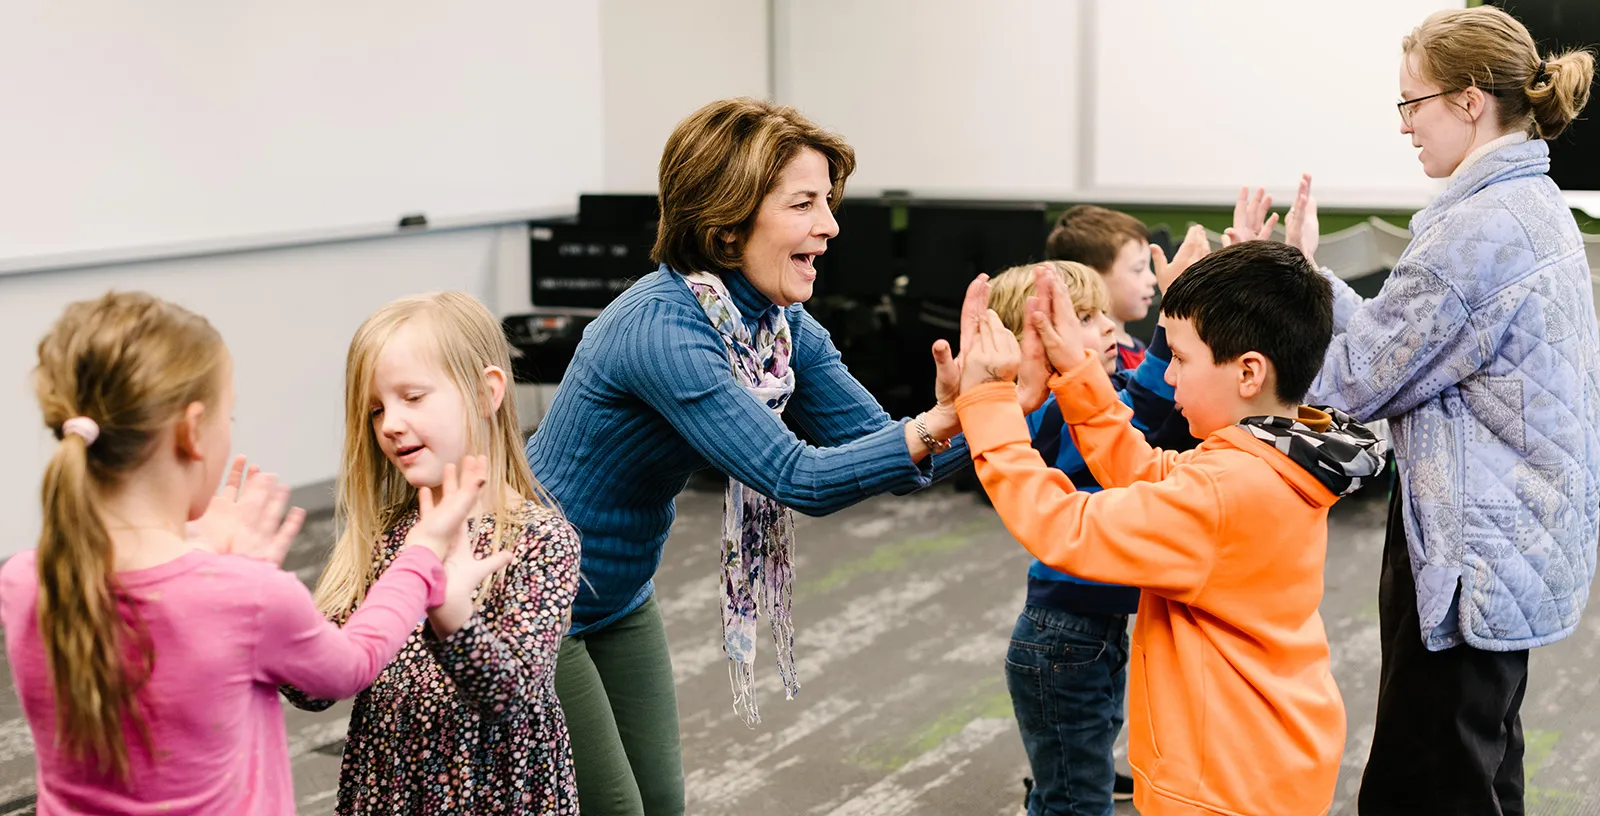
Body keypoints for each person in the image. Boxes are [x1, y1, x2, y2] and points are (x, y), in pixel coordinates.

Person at [523, 97, 976, 816]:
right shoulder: (664, 331)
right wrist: (945, 421)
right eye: (804, 204)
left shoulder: (778, 323)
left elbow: (891, 453)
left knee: (661, 803)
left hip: (619, 592)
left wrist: (1005, 407)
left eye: (827, 202)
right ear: (728, 223)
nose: (829, 226)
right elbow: (799, 477)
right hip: (532, 593)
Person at [1260, 8, 1598, 814]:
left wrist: (1284, 286)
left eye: (1413, 103)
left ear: (1471, 99)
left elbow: (1351, 380)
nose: (1406, 125)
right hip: (1511, 534)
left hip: (1466, 549)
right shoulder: (1530, 200)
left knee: (1429, 785)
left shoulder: (1475, 231)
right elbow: (1404, 338)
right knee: (1481, 770)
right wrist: (1310, 276)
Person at [2, 291, 494, 815]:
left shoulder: (24, 580)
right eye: (227, 416)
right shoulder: (250, 596)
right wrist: (423, 552)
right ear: (193, 430)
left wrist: (215, 560)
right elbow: (350, 665)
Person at [948, 243, 1388, 815]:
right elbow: (1151, 473)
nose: (1168, 373)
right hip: (1266, 759)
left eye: (1179, 358)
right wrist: (1080, 379)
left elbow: (1062, 526)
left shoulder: (1225, 490)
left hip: (1218, 784)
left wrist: (985, 402)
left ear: (1248, 372)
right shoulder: (1269, 457)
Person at [284, 292, 581, 814]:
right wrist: (257, 602)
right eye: (376, 409)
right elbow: (315, 689)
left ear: (487, 391)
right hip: (393, 791)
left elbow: (507, 697)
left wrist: (451, 611)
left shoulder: (539, 539)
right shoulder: (386, 540)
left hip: (495, 794)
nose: (390, 424)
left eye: (413, 397)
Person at [986, 238, 1203, 816]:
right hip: (1065, 638)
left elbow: (1133, 415)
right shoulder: (1051, 410)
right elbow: (1141, 415)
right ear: (1032, 340)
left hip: (1091, 633)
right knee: (1077, 803)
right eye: (1085, 318)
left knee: (1077, 785)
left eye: (1104, 313)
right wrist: (1169, 325)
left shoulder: (1077, 399)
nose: (1109, 328)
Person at [1045, 205, 1161, 369]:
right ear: (1092, 277)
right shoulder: (1102, 358)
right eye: (1138, 269)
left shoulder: (1137, 346)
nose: (1152, 279)